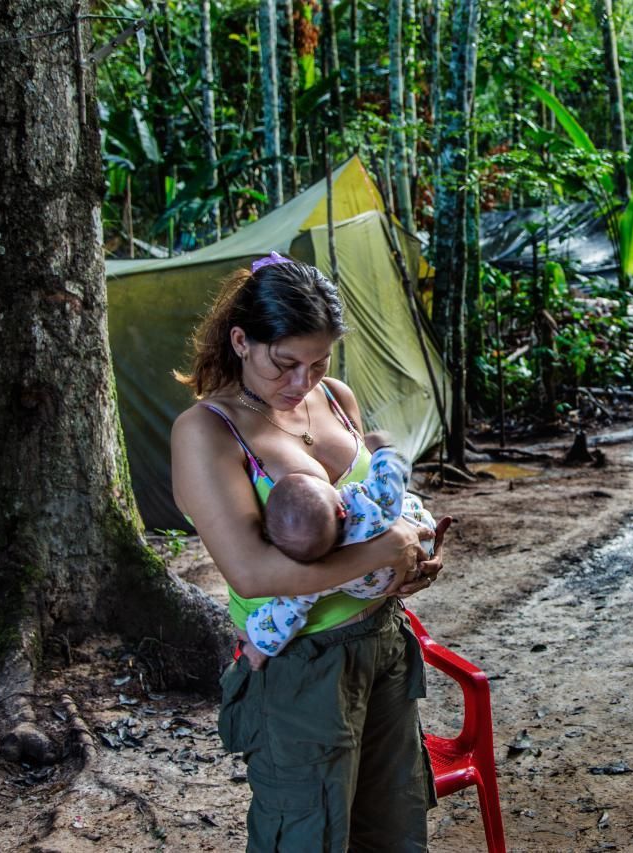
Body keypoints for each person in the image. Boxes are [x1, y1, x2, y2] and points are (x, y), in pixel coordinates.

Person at [170, 252, 442, 850]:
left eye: (318, 363)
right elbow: (251, 570)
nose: (302, 383)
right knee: (306, 835)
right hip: (302, 667)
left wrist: (408, 560)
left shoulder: (337, 399)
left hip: (385, 645)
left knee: (393, 826)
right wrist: (384, 550)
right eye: (285, 363)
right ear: (242, 341)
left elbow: (376, 506)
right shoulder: (208, 432)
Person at [240, 432, 440, 666]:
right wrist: (383, 448)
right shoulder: (364, 506)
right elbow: (390, 479)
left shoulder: (320, 572)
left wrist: (258, 645)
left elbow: (286, 611)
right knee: (399, 504)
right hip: (419, 540)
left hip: (375, 588)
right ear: (340, 510)